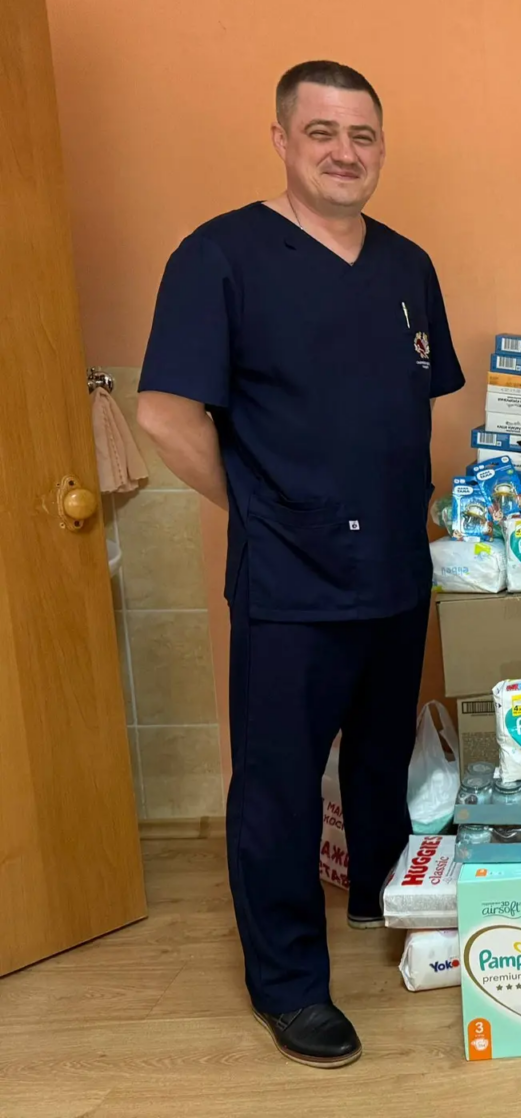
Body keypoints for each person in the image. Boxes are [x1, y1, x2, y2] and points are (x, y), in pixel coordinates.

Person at [136, 61, 464, 1069]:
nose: (344, 152)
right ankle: (287, 982)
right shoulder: (221, 257)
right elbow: (164, 414)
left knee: (379, 752)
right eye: (321, 132)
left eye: (362, 135)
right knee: (278, 784)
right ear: (281, 139)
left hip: (394, 567)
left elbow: (408, 402)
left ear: (381, 147)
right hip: (290, 579)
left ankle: (377, 891)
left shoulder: (406, 266)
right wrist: (261, 511)